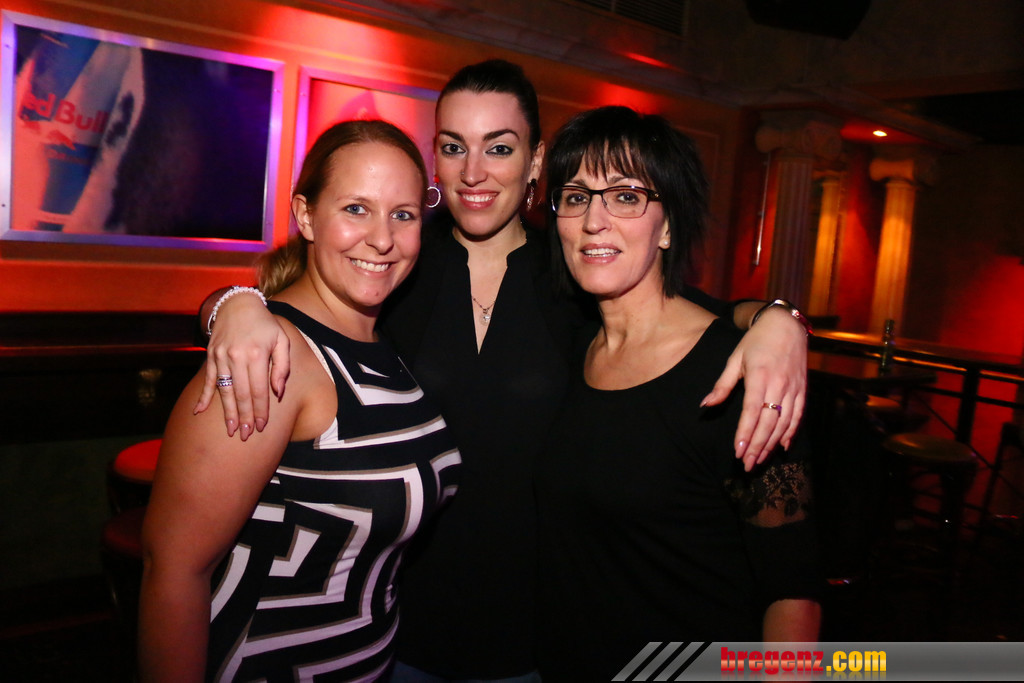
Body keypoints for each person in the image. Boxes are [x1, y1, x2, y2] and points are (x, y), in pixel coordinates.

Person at [193, 60, 811, 680]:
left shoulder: (577, 273)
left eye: (499, 147)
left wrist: (778, 318)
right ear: (435, 159)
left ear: (536, 161)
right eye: (453, 147)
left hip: (536, 639)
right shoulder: (395, 263)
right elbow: (297, 300)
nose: (474, 172)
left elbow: (690, 314)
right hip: (398, 628)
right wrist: (232, 306)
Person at [138, 120, 461, 682]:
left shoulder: (383, 339)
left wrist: (230, 300)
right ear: (306, 216)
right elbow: (173, 571)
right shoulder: (269, 359)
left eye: (403, 215)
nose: (382, 239)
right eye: (356, 209)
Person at [535, 106, 821, 681]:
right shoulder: (571, 343)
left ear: (668, 227)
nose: (594, 221)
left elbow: (793, 590)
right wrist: (777, 312)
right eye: (576, 197)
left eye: (626, 196)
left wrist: (782, 320)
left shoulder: (737, 375)